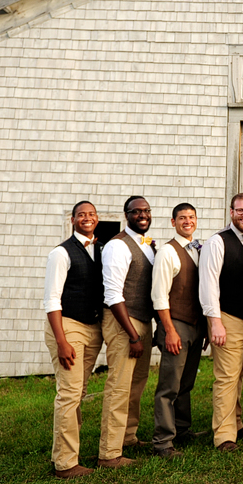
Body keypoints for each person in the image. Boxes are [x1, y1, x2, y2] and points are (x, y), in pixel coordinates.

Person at [43, 201, 104, 479]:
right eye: (81, 215)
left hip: (92, 328)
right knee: (68, 393)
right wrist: (61, 340)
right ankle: (65, 464)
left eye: (91, 214)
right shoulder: (61, 252)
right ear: (73, 219)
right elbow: (52, 300)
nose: (86, 218)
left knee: (77, 392)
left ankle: (70, 452)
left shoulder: (101, 249)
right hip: (67, 326)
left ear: (97, 218)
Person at [199, 193, 243, 452]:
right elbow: (208, 284)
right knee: (226, 377)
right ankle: (224, 436)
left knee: (240, 374)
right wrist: (215, 322)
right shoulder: (217, 242)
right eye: (239, 210)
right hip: (227, 318)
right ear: (231, 212)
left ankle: (236, 423)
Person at [98, 196, 156, 468]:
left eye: (146, 211)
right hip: (124, 323)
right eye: (136, 211)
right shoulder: (117, 246)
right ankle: (109, 453)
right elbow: (112, 295)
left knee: (136, 383)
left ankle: (128, 437)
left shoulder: (147, 245)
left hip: (142, 320)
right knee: (119, 387)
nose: (142, 215)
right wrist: (133, 335)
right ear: (126, 215)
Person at [150, 203, 206, 458]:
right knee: (169, 386)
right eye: (182, 218)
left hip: (195, 326)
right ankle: (163, 442)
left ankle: (182, 431)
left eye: (191, 217)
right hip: (176, 325)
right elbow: (159, 297)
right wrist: (169, 331)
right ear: (173, 222)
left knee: (186, 382)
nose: (187, 221)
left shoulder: (198, 249)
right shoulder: (167, 252)